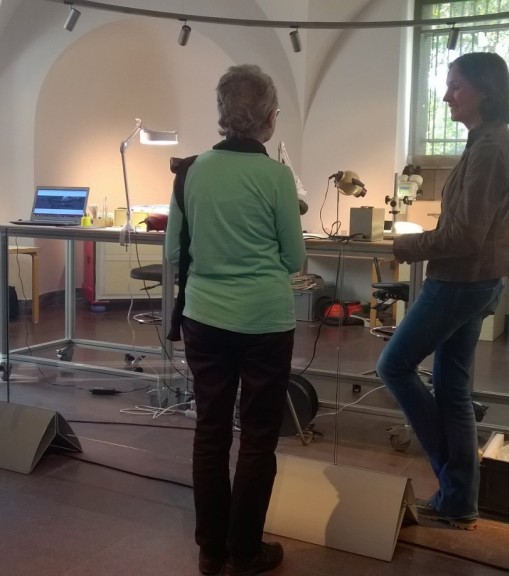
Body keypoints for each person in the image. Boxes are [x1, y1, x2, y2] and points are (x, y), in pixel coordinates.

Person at [165, 64, 306, 576]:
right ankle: (246, 551)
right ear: (269, 118)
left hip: (204, 316)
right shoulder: (276, 176)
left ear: (223, 115)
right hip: (265, 321)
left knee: (210, 430)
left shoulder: (191, 170)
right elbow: (293, 258)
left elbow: (173, 252)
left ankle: (211, 549)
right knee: (259, 435)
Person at [375, 52, 509, 530]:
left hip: (460, 282)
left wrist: (403, 246)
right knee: (453, 388)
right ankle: (459, 499)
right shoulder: (485, 141)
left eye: (455, 86)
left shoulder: (491, 147)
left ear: (485, 90)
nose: (446, 95)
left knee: (393, 365)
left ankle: (453, 478)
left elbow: (463, 237)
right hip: (469, 280)